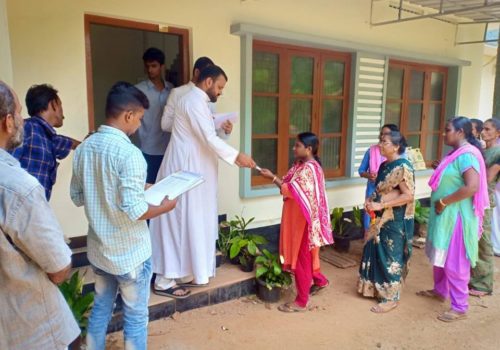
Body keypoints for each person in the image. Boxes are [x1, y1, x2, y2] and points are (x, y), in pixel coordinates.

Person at [70, 82, 177, 349]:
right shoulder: (131, 154)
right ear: (129, 115)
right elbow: (136, 209)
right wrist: (167, 205)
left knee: (100, 309)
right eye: (140, 118)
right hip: (130, 255)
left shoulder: (85, 148)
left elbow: (78, 196)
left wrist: (142, 187)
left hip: (100, 251)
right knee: (136, 316)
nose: (139, 125)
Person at [150, 65, 255, 298]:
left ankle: (186, 272)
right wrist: (236, 155)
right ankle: (165, 280)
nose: (220, 92)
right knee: (177, 222)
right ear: (207, 81)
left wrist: (224, 131)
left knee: (193, 221)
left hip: (196, 170)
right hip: (185, 170)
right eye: (219, 87)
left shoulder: (200, 103)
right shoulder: (193, 101)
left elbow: (207, 134)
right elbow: (207, 138)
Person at [0, 81, 80, 349]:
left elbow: (62, 143)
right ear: (9, 121)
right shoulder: (19, 186)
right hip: (31, 322)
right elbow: (58, 268)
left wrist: (90, 143)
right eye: (18, 114)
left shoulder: (40, 134)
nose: (22, 120)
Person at [417, 116, 489, 322]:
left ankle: (460, 306)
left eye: (447, 130)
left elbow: (471, 186)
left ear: (460, 132)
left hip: (457, 216)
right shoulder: (456, 154)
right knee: (440, 255)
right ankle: (440, 290)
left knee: (455, 261)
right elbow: (454, 176)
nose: (443, 133)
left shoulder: (467, 155)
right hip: (445, 214)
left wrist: (444, 202)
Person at [259, 132, 333, 312]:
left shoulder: (309, 169)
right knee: (307, 256)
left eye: (297, 145)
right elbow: (287, 183)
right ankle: (320, 281)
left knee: (302, 259)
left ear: (308, 149)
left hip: (304, 222)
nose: (294, 148)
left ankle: (301, 301)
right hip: (297, 218)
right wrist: (275, 178)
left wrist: (272, 178)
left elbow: (290, 190)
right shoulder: (300, 165)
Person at [357, 131, 415, 313]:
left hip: (394, 219)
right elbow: (379, 189)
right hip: (379, 215)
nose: (380, 145)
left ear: (396, 147)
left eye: (385, 142)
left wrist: (381, 204)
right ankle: (374, 288)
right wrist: (370, 201)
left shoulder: (403, 167)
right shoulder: (384, 165)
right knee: (375, 249)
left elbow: (408, 195)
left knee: (390, 255)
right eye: (380, 142)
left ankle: (391, 297)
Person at [11, 84, 80, 200]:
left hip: (36, 210)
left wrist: (91, 143)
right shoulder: (26, 128)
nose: (63, 115)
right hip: (19, 211)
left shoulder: (49, 137)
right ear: (53, 104)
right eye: (61, 106)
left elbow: (69, 143)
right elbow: (7, 166)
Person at [161, 56, 233, 140]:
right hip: (185, 147)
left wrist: (225, 130)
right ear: (197, 72)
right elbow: (165, 124)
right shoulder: (177, 93)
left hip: (205, 149)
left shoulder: (211, 95)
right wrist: (193, 124)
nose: (210, 79)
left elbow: (212, 129)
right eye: (207, 73)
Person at [133, 47, 174, 184]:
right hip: (147, 149)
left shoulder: (172, 90)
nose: (150, 70)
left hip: (169, 149)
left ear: (162, 66)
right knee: (148, 189)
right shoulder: (139, 90)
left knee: (167, 188)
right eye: (147, 66)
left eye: (154, 66)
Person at [469, 118, 500, 296]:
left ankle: (483, 284)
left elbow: (487, 178)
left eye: (488, 129)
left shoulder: (497, 153)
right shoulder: (481, 150)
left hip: (485, 200)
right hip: (474, 197)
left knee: (484, 241)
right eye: (483, 129)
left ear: (498, 133)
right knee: (474, 237)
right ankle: (473, 278)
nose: (484, 132)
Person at [358, 124, 400, 236]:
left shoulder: (401, 157)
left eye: (386, 135)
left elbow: (406, 191)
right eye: (381, 134)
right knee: (369, 220)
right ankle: (368, 246)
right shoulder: (371, 151)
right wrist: (369, 175)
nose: (382, 137)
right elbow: (361, 171)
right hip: (372, 190)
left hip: (390, 196)